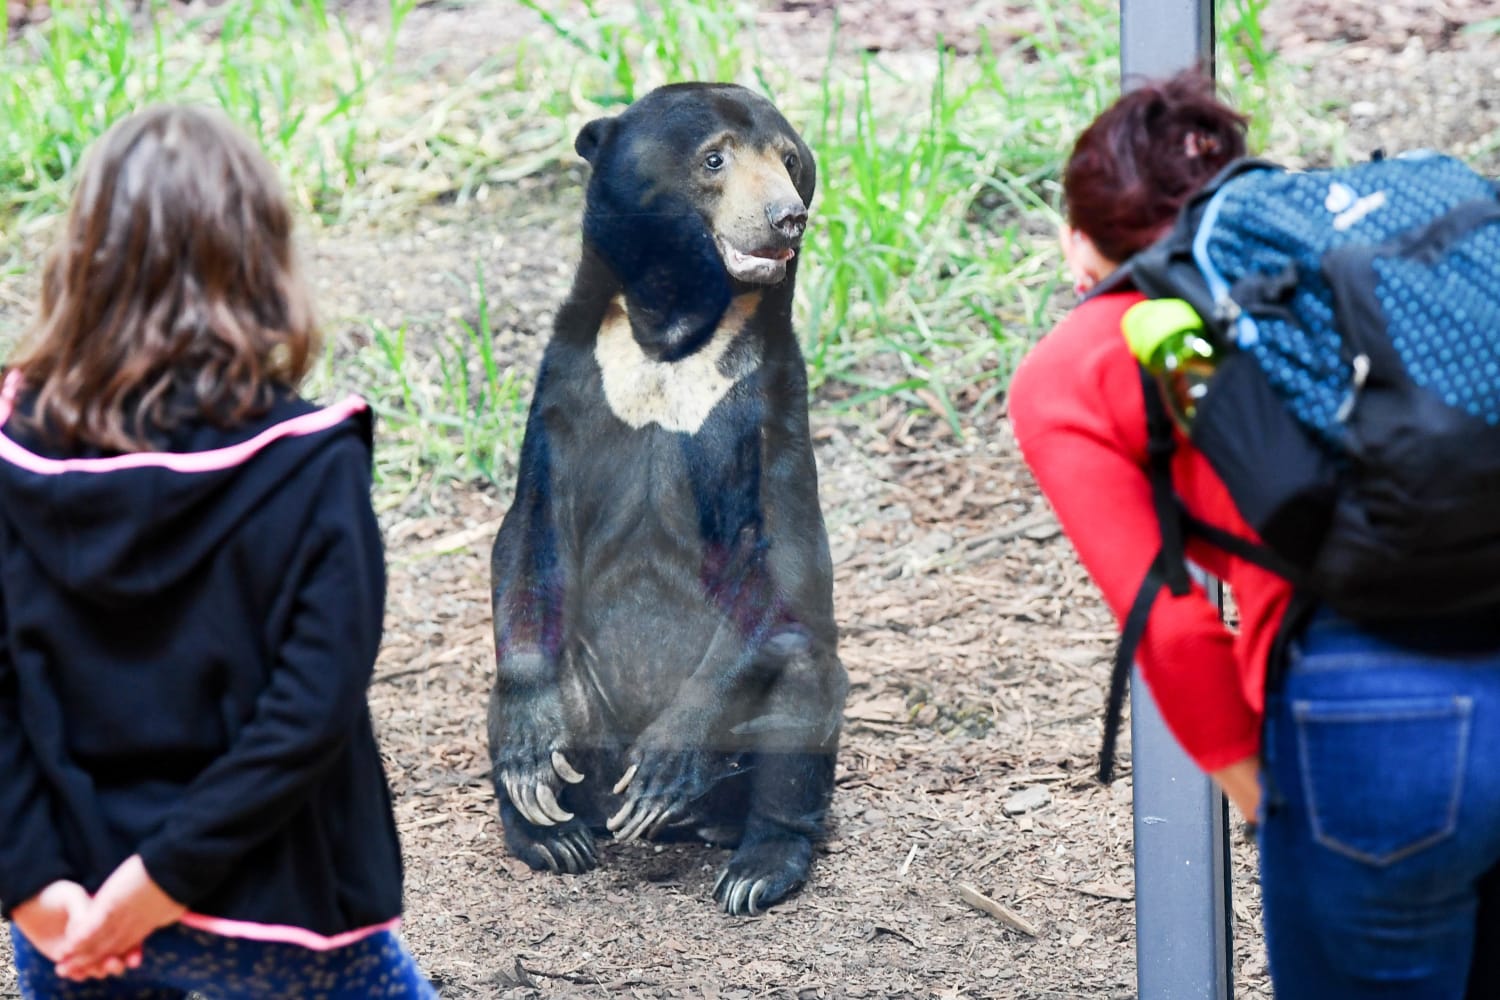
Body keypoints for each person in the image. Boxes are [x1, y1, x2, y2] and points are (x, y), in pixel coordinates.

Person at [1011, 70, 1500, 998]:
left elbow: (1173, 626)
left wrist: (1265, 802)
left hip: (1375, 711)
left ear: (1081, 237)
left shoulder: (1077, 363)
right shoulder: (1365, 263)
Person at [0, 105, 437, 998]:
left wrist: (31, 887)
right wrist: (161, 879)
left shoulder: (11, 453)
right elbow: (309, 710)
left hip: (71, 910)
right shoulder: (312, 461)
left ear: (80, 258)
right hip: (283, 907)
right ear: (262, 260)